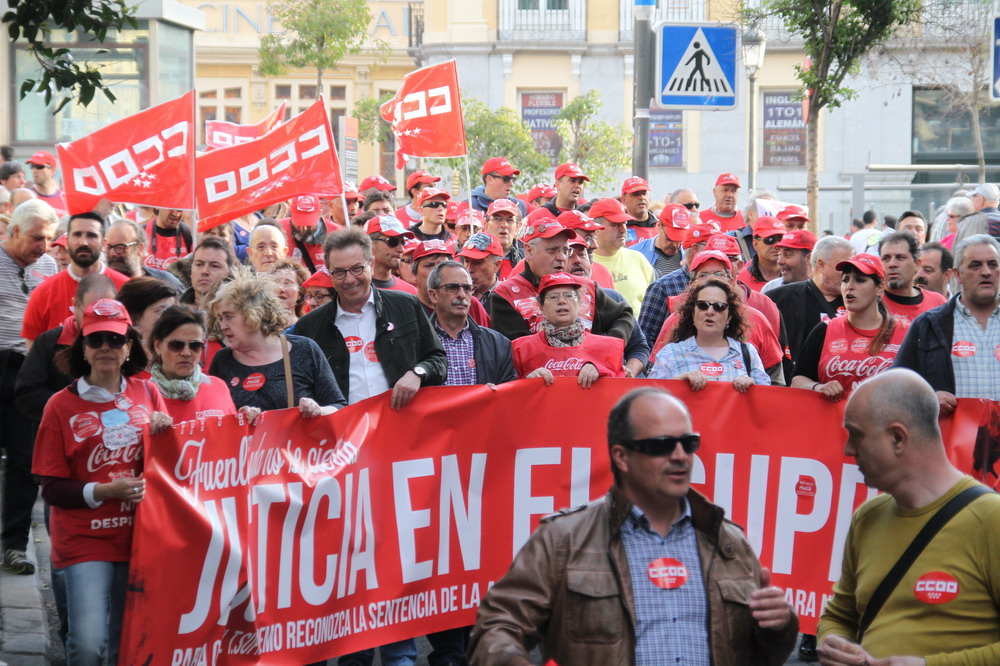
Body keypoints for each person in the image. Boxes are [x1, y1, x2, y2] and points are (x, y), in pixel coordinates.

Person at [469, 387, 798, 665]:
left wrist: (779, 626)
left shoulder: (728, 541)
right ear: (621, 457)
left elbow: (765, 654)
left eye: (689, 442)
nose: (681, 456)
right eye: (661, 445)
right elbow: (496, 627)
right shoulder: (562, 540)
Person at [817, 369, 1000, 664]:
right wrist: (834, 643)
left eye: (856, 435)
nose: (848, 450)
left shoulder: (990, 519)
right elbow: (838, 616)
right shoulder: (867, 517)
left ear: (898, 438)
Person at [32, 298, 172, 665]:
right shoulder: (60, 406)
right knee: (88, 645)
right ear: (83, 347)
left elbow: (174, 466)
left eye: (115, 339)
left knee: (126, 648)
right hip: (84, 542)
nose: (106, 348)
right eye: (96, 340)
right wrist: (104, 491)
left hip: (139, 538)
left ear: (130, 346)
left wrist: (166, 435)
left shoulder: (148, 393)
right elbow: (51, 487)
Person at [293, 228, 447, 408]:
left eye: (357, 269)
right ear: (329, 273)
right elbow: (302, 387)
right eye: (340, 272)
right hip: (344, 431)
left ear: (371, 265)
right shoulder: (310, 327)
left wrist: (417, 373)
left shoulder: (406, 306)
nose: (349, 280)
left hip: (402, 425)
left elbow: (438, 360)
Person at [0, 199, 58, 574]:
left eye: (50, 239)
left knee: (25, 461)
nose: (44, 247)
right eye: (38, 238)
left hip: (28, 371)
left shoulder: (50, 266)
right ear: (15, 231)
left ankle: (14, 545)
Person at [207, 269, 345, 416]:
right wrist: (236, 418)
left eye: (229, 317)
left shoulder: (304, 349)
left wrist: (318, 410)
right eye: (220, 318)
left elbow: (338, 406)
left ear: (254, 314)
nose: (222, 326)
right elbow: (213, 418)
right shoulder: (222, 361)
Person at [490, 209, 634, 343]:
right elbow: (519, 350)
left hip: (591, 368)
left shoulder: (587, 287)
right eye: (552, 250)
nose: (561, 258)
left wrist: (607, 346)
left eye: (565, 250)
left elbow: (624, 315)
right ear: (528, 251)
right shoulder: (506, 295)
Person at [893, 234, 1000, 409]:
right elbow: (896, 381)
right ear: (957, 275)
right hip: (949, 434)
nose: (986, 272)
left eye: (993, 264)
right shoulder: (928, 324)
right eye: (975, 265)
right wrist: (928, 397)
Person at [792, 253, 905, 400]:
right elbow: (797, 380)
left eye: (860, 280)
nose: (850, 286)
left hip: (885, 420)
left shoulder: (906, 333)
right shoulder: (825, 330)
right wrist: (818, 387)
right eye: (845, 280)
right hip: (833, 421)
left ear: (879, 288)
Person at [22, 211, 130, 345]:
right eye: (77, 234)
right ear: (67, 242)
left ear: (104, 244)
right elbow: (35, 354)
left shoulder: (127, 289)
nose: (83, 242)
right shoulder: (43, 293)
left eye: (91, 235)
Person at [649, 278, 769, 392]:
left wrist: (753, 388)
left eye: (719, 307)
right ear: (692, 314)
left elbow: (766, 400)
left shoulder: (748, 353)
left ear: (729, 317)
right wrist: (677, 383)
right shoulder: (669, 354)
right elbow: (651, 400)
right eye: (703, 305)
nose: (710, 312)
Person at [512, 273, 625, 387]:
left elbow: (621, 391)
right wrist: (526, 382)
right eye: (553, 297)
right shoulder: (521, 349)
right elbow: (509, 390)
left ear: (580, 302)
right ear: (541, 307)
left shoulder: (608, 347)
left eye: (569, 295)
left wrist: (602, 371)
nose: (561, 301)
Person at [148, 304, 249, 422]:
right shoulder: (143, 395)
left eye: (195, 346)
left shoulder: (217, 387)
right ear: (158, 346)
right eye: (176, 345)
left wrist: (246, 421)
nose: (186, 353)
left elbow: (230, 438)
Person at [766, 235, 854, 363]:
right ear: (821, 265)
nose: (849, 276)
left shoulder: (859, 300)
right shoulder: (778, 299)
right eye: (844, 269)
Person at [428, 261, 515, 385]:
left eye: (467, 288)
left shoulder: (498, 344)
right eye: (452, 288)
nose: (462, 295)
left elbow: (509, 392)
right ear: (433, 295)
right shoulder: (414, 343)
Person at [589, 197, 657, 313]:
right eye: (615, 224)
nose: (623, 229)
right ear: (597, 229)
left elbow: (655, 303)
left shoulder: (638, 259)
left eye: (624, 223)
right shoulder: (584, 264)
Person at [878, 231, 947, 328]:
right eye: (886, 258)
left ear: (917, 264)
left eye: (900, 257)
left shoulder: (938, 303)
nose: (892, 264)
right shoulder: (870, 304)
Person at [103, 219, 184, 292]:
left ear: (139, 249)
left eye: (120, 247)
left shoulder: (165, 283)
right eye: (109, 247)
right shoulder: (99, 284)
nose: (112, 253)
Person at [115, 276, 178, 361]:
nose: (171, 317)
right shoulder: (117, 363)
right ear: (135, 319)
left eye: (173, 311)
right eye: (161, 311)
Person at [631, 202, 690, 277]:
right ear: (658, 226)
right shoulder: (635, 253)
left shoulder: (690, 257)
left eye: (680, 240)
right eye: (670, 239)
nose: (675, 245)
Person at [364, 215, 418, 294]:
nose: (401, 249)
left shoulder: (410, 292)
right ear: (371, 245)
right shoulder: (355, 288)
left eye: (403, 242)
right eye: (393, 242)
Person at [180, 236, 237, 310]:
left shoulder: (239, 312)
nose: (205, 271)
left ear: (229, 272)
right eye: (199, 264)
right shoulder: (175, 308)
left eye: (214, 266)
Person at [457, 232, 504, 310]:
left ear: (497, 265)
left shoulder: (507, 297)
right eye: (467, 261)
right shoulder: (456, 295)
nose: (469, 269)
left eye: (478, 262)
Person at [738, 215, 786, 291]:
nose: (777, 245)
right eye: (770, 240)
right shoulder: (740, 280)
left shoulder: (796, 276)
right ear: (755, 244)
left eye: (781, 239)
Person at [268, 258, 310, 326]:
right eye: (276, 282)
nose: (281, 288)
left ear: (300, 294)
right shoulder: (258, 327)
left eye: (288, 283)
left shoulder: (306, 328)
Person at [620, 176, 657, 244]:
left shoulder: (661, 225)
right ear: (623, 200)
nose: (641, 197)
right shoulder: (619, 228)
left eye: (644, 193)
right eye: (635, 194)